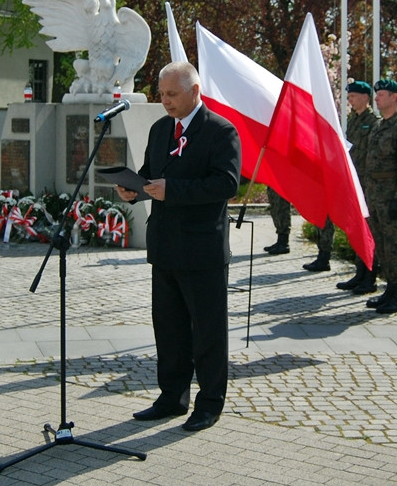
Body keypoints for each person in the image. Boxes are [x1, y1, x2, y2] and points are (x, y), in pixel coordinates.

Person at [116, 61, 241, 432]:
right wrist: (133, 190)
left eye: (172, 94)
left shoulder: (220, 131)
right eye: (162, 94)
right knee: (168, 329)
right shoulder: (159, 130)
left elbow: (226, 184)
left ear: (195, 92)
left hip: (202, 250)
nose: (165, 101)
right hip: (165, 246)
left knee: (207, 331)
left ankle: (209, 403)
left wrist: (174, 191)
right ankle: (172, 397)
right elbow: (150, 174)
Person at [362, 79, 397, 314]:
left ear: (394, 97)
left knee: (394, 246)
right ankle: (388, 290)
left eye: (381, 95)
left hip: (389, 197)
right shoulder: (379, 125)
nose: (376, 99)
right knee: (381, 245)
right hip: (374, 196)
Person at [337, 80, 382, 293]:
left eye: (353, 97)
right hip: (355, 184)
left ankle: (370, 278)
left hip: (368, 186)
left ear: (365, 97)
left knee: (369, 230)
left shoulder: (374, 121)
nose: (350, 101)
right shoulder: (354, 121)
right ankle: (360, 273)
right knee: (357, 228)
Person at [263, 187, 291, 255]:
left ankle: (284, 243)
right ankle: (280, 241)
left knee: (281, 208)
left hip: (281, 182)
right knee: (275, 208)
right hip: (274, 179)